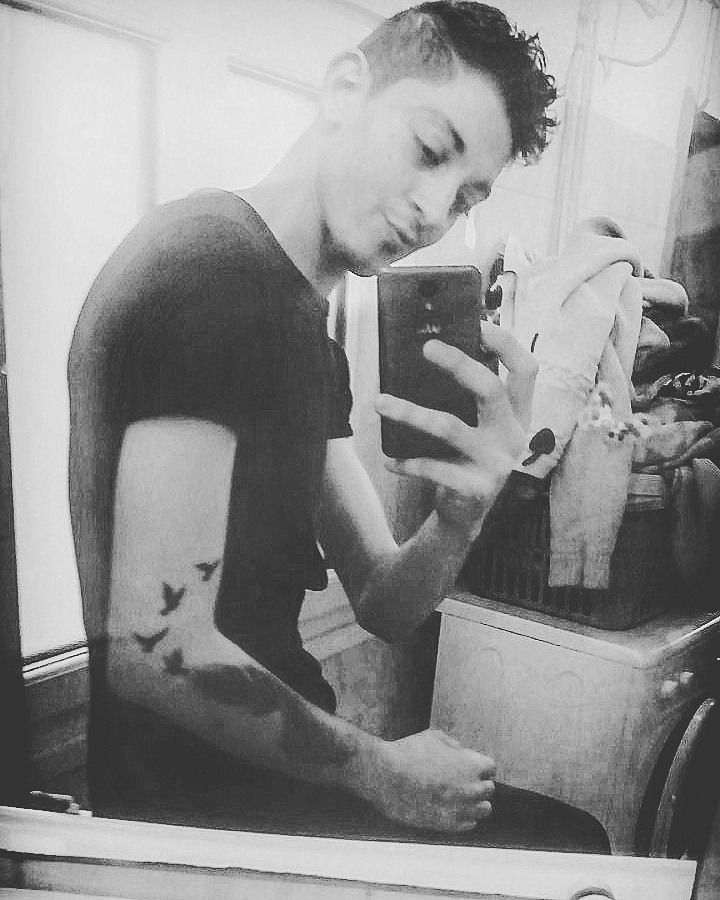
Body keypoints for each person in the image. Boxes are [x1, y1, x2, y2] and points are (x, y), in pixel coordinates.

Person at [68, 1, 608, 850]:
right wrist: (378, 768)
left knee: (568, 844)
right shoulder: (210, 279)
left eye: (467, 196)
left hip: (257, 790)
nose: (434, 210)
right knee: (571, 848)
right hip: (197, 820)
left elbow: (384, 601)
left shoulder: (292, 317)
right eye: (429, 150)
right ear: (346, 88)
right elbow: (157, 651)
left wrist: (463, 511)